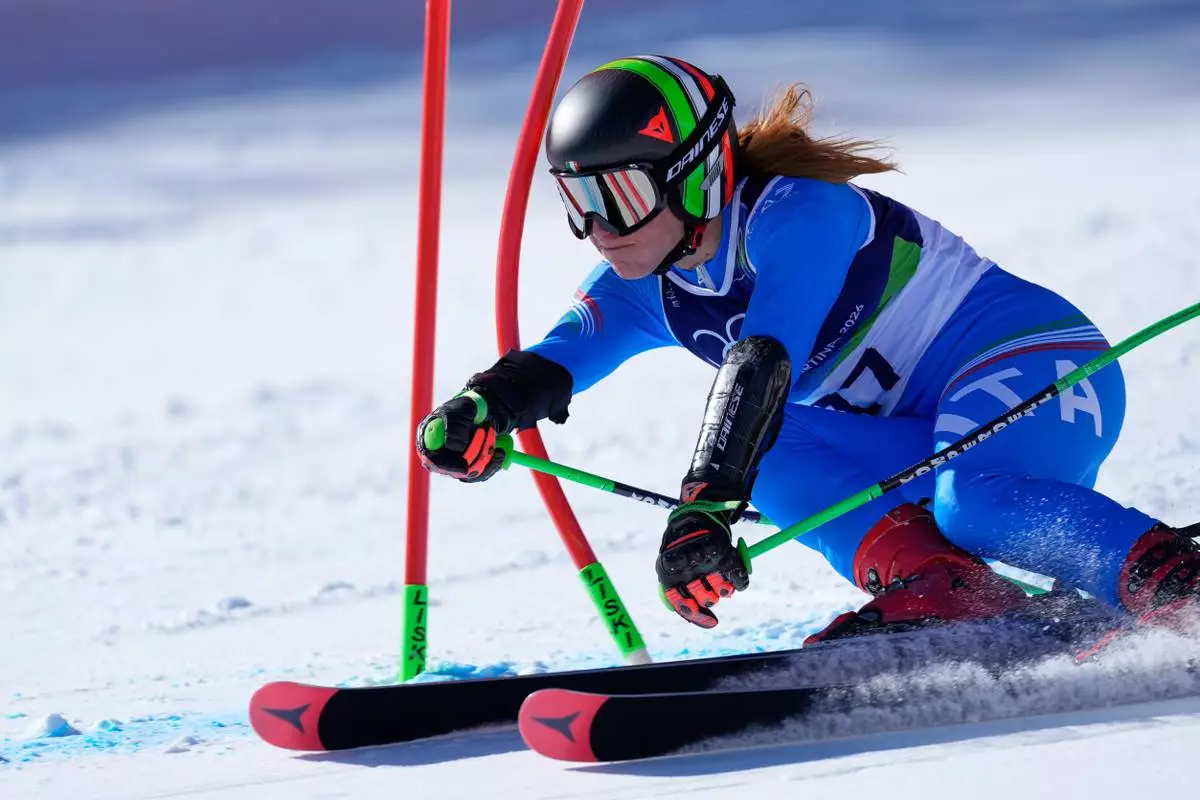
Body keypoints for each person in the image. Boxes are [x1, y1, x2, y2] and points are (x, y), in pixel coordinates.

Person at [415, 54, 1196, 641]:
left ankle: (1173, 584)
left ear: (695, 176)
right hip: (927, 430)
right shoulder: (637, 279)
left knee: (974, 500)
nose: (599, 230)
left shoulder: (799, 216)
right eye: (578, 203)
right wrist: (482, 407)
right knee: (780, 450)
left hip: (1042, 369)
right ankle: (946, 588)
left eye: (617, 196)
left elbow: (764, 360)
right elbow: (555, 360)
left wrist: (705, 510)